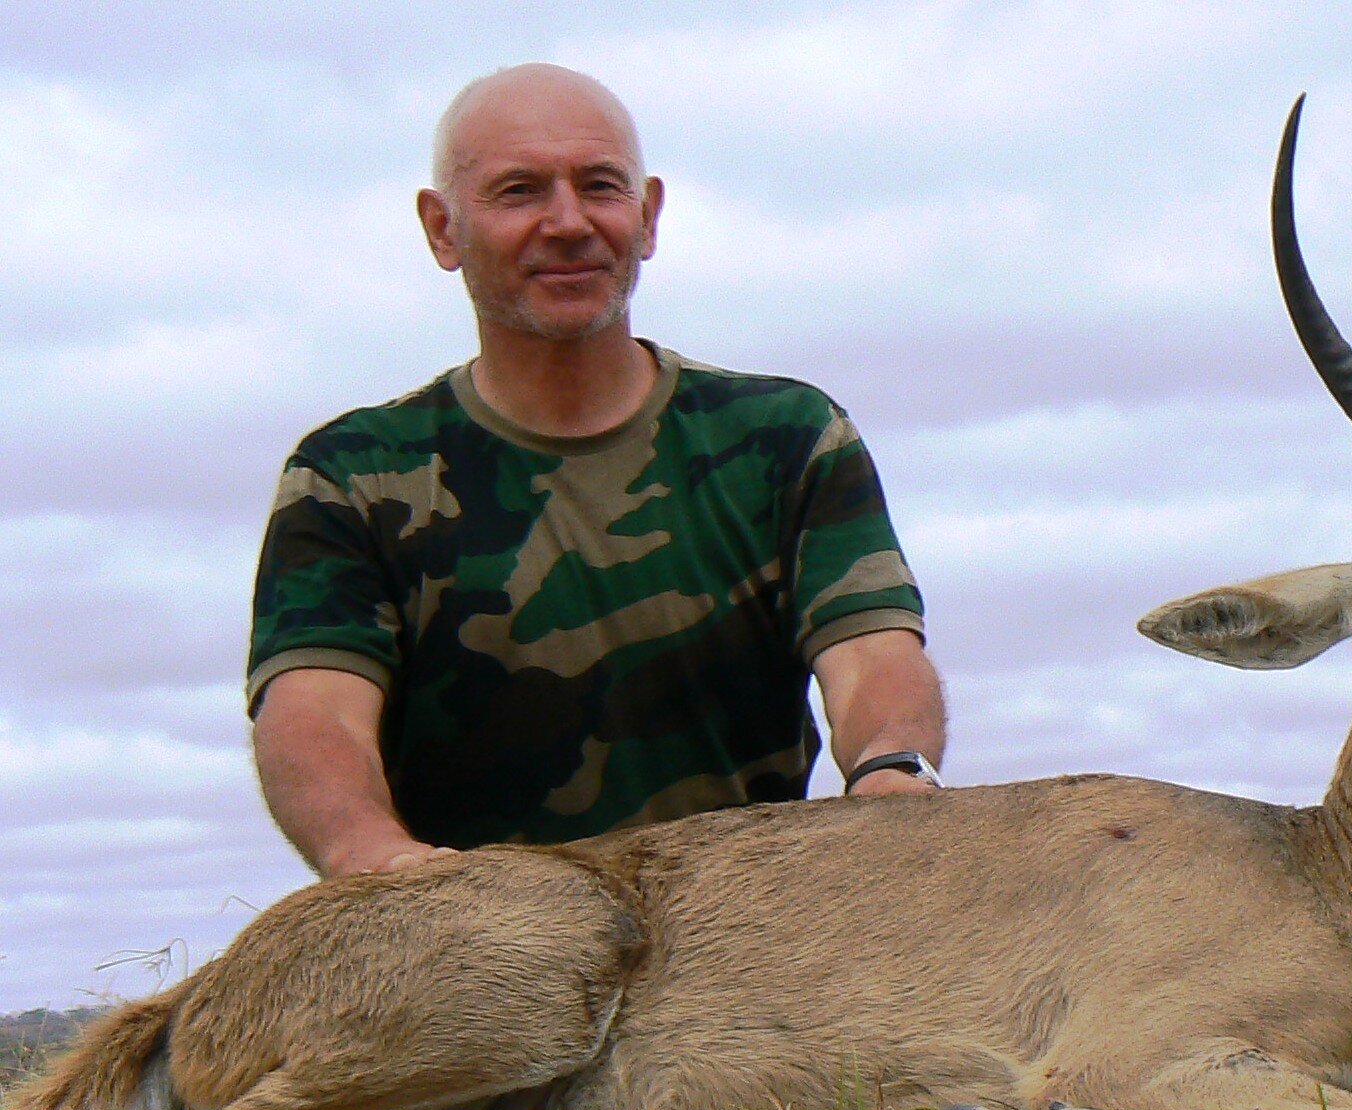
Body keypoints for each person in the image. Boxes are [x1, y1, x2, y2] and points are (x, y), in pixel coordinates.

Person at [248, 64, 947, 878]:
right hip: (468, 939)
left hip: (748, 932)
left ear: (646, 217)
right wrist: (372, 856)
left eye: (600, 186)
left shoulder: (790, 438)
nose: (569, 222)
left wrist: (892, 770)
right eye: (519, 192)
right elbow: (317, 710)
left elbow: (872, 655)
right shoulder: (349, 477)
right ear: (443, 229)